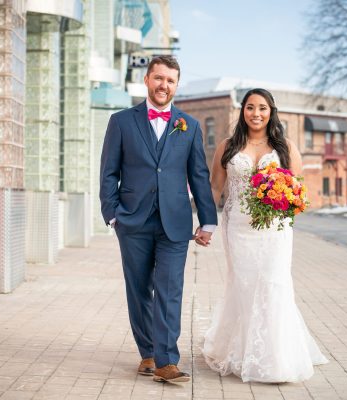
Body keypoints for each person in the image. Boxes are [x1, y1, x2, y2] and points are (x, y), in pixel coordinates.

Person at [100, 55, 217, 384]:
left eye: (170, 80)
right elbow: (108, 172)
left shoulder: (189, 126)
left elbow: (198, 175)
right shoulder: (121, 121)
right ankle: (148, 352)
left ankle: (167, 360)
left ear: (176, 85)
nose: (164, 85)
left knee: (170, 289)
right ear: (147, 80)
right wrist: (112, 215)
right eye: (159, 78)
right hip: (132, 220)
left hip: (175, 223)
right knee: (139, 289)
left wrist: (207, 221)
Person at [202, 88, 328, 382]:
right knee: (244, 286)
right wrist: (206, 223)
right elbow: (215, 188)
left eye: (262, 108)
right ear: (242, 111)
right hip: (238, 229)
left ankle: (276, 358)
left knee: (274, 284)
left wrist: (282, 199)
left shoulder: (284, 147)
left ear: (271, 112)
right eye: (250, 107)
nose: (256, 113)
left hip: (275, 230)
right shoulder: (228, 147)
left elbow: (298, 191)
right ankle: (241, 351)